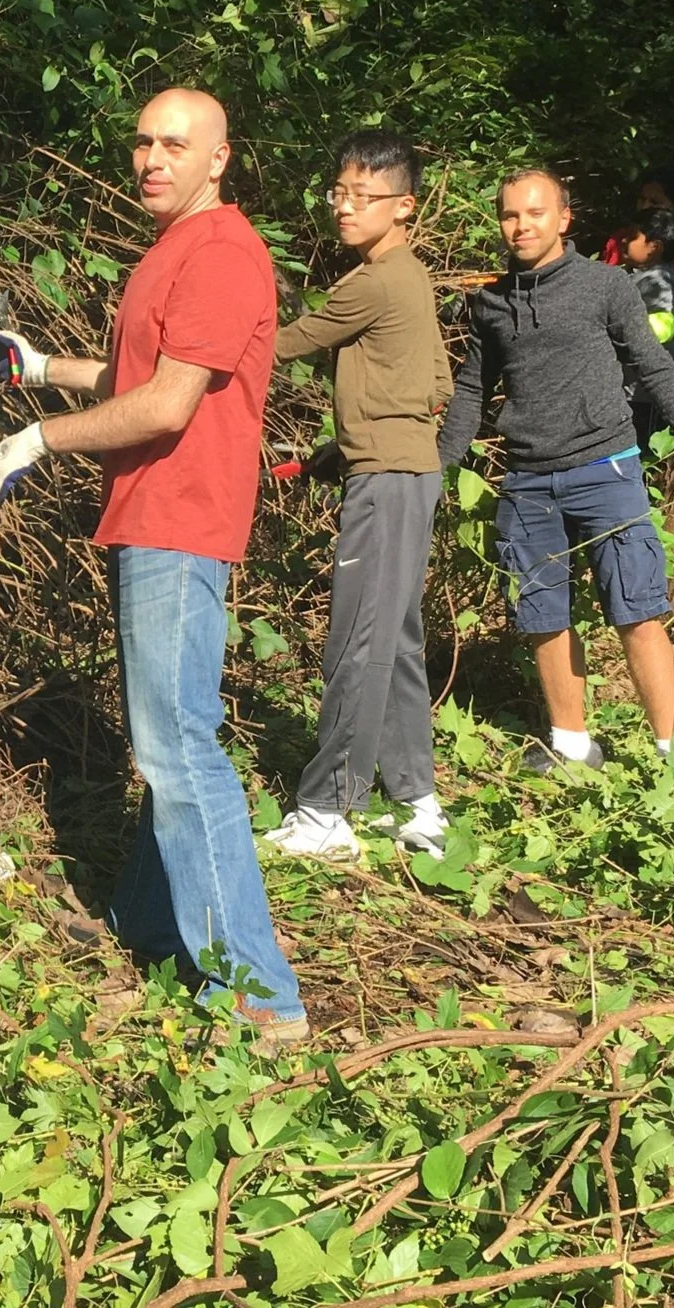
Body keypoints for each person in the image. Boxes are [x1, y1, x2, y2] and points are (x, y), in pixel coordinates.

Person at [0, 87, 306, 1044]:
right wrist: (38, 368)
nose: (153, 159)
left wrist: (42, 437)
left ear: (220, 157)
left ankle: (258, 990)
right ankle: (148, 922)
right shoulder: (174, 250)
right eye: (143, 142)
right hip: (153, 514)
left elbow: (165, 408)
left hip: (182, 517)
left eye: (175, 144)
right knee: (168, 737)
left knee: (178, 745)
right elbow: (142, 376)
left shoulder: (223, 252)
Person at [438, 170, 674, 774]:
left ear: (564, 218)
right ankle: (572, 744)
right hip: (528, 480)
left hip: (606, 469)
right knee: (542, 614)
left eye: (535, 213)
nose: (521, 226)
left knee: (637, 609)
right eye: (510, 215)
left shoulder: (607, 286)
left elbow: (654, 367)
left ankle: (672, 755)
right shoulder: (491, 302)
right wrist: (437, 464)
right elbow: (472, 388)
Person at [259, 130, 453, 865]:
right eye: (338, 193)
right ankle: (418, 802)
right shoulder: (411, 276)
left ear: (402, 206)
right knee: (396, 640)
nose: (343, 207)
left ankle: (326, 810)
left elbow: (283, 344)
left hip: (387, 481)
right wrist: (356, 438)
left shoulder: (372, 282)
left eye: (361, 197)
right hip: (407, 471)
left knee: (358, 641)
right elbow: (433, 382)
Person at [600, 168, 674, 373]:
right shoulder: (621, 239)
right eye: (642, 199)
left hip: (657, 362)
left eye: (655, 202)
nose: (644, 206)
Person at [618, 207, 674, 448]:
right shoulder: (635, 275)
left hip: (647, 393)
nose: (624, 240)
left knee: (642, 450)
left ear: (654, 247)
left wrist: (620, 331)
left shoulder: (659, 281)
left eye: (632, 236)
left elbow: (663, 326)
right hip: (631, 389)